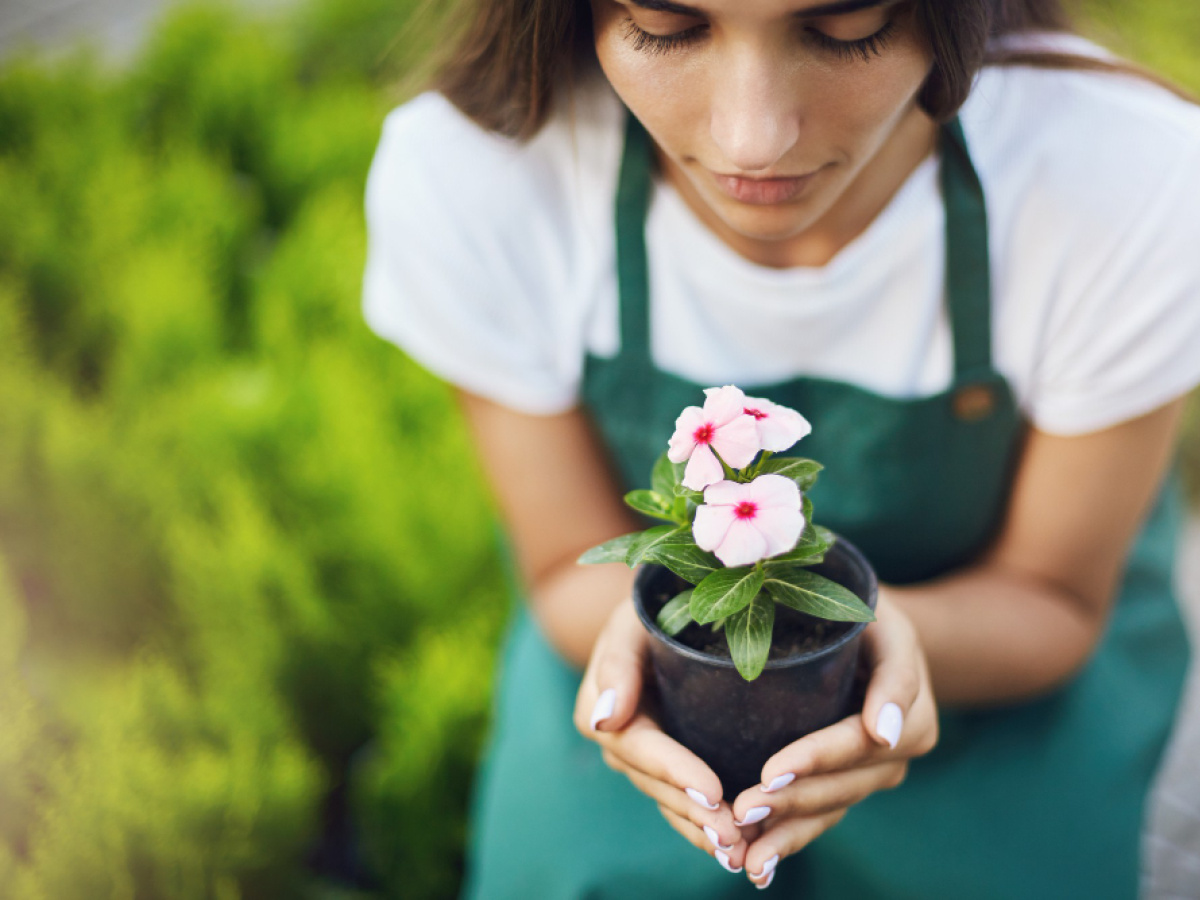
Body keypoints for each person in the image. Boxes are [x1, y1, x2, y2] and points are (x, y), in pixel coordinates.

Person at [361, 0, 1200, 896]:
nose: (754, 137)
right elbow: (570, 565)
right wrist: (659, 650)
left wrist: (877, 649)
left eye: (847, 27)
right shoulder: (483, 172)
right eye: (665, 25)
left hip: (984, 686)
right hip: (645, 678)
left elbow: (1052, 596)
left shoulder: (1128, 180)